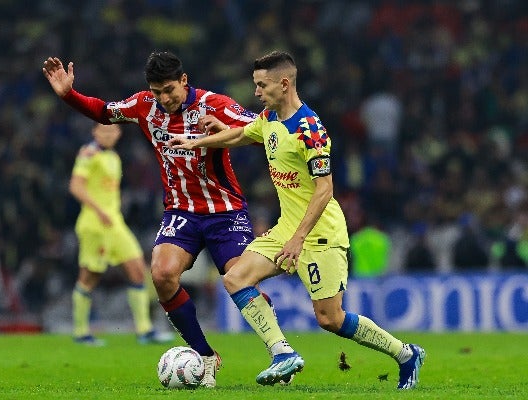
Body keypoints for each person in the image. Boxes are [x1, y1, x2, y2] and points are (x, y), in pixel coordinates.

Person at [169, 51, 426, 389]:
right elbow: (243, 133)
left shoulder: (311, 130)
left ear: (284, 84)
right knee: (235, 278)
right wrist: (199, 140)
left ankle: (406, 354)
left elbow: (325, 189)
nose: (257, 92)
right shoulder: (270, 119)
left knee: (329, 319)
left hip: (320, 234)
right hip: (287, 229)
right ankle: (282, 353)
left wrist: (298, 238)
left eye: (262, 85)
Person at [43, 51, 270, 387]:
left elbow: (262, 129)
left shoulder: (215, 104)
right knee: (161, 274)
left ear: (184, 81)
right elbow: (104, 112)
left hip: (224, 211)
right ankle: (205, 356)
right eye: (157, 91)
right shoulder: (143, 105)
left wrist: (234, 129)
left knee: (242, 280)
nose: (164, 98)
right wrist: (68, 95)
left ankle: (279, 351)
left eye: (170, 90)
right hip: (180, 211)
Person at [68, 123, 173, 346]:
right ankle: (81, 332)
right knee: (89, 276)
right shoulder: (89, 154)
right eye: (102, 130)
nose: (107, 135)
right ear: (94, 131)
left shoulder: (113, 157)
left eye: (111, 131)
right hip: (95, 224)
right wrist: (98, 210)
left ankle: (144, 331)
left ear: (118, 134)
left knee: (137, 269)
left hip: (115, 223)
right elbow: (76, 186)